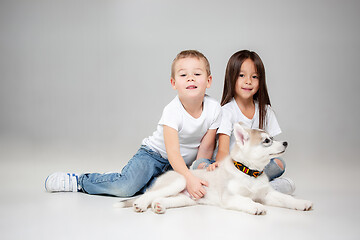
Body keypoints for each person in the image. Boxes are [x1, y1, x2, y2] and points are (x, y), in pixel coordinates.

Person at [45, 50, 221, 199]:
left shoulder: (214, 109)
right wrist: (189, 178)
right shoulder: (172, 111)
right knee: (126, 188)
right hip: (154, 156)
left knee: (169, 190)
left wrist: (197, 173)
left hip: (181, 165)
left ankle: (133, 179)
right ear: (173, 83)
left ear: (208, 81)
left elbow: (205, 149)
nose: (190, 78)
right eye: (183, 75)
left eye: (197, 74)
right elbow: (172, 152)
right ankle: (81, 181)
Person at [191, 50, 295, 195]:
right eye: (241, 75)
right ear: (231, 78)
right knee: (199, 164)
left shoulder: (266, 111)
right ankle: (261, 190)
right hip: (231, 166)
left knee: (279, 163)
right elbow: (223, 149)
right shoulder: (226, 111)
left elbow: (271, 147)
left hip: (254, 167)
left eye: (254, 77)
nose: (248, 81)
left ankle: (245, 190)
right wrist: (220, 165)